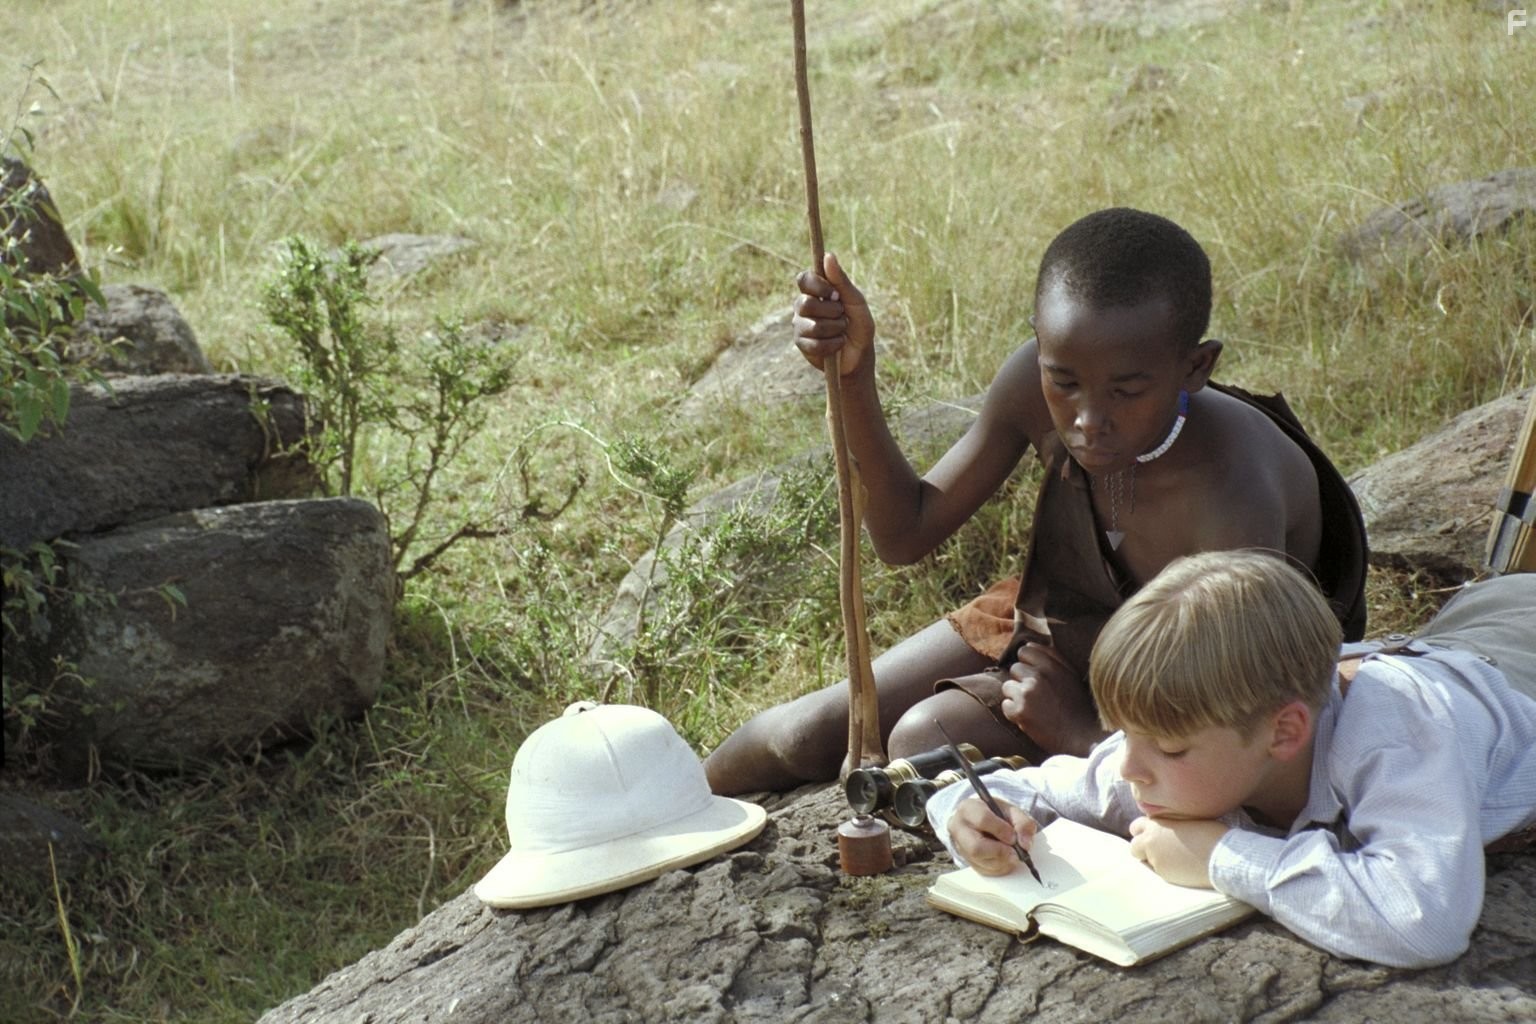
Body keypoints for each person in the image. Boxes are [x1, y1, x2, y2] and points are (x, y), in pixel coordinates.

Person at [704, 208, 1366, 796]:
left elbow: (1238, 725)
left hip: (1201, 675)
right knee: (808, 732)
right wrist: (855, 375)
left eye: (1126, 392)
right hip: (1066, 611)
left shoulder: (1232, 489)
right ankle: (654, 821)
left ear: (1196, 368)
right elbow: (904, 534)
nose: (1086, 420)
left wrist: (1082, 733)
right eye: (1064, 382)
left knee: (922, 742)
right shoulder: (1032, 382)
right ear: (1041, 352)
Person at [928, 550, 1536, 968]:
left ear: (1284, 733)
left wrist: (1223, 855)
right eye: (1123, 733)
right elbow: (1008, 790)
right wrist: (969, 817)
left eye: (1168, 748)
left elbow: (1424, 921)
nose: (1126, 768)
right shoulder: (1172, 745)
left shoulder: (1399, 737)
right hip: (1452, 634)